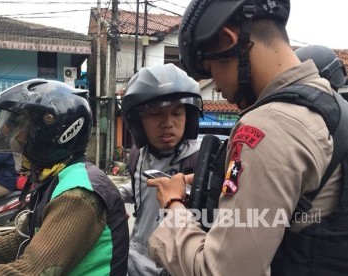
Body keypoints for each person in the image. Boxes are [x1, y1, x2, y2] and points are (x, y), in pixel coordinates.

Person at [146, 0, 348, 275]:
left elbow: (222, 271)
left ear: (228, 40)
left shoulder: (268, 127)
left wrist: (174, 205)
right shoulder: (332, 107)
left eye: (211, 68)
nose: (215, 85)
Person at [0, 79, 129, 275]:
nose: (16, 136)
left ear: (51, 133)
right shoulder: (57, 178)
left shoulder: (77, 195)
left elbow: (31, 270)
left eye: (24, 127)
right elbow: (20, 241)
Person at [118, 63, 203, 275]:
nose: (168, 123)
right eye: (156, 114)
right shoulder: (138, 155)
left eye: (177, 113)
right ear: (138, 122)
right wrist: (109, 198)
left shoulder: (202, 160)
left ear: (189, 116)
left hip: (175, 267)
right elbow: (138, 188)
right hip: (134, 263)